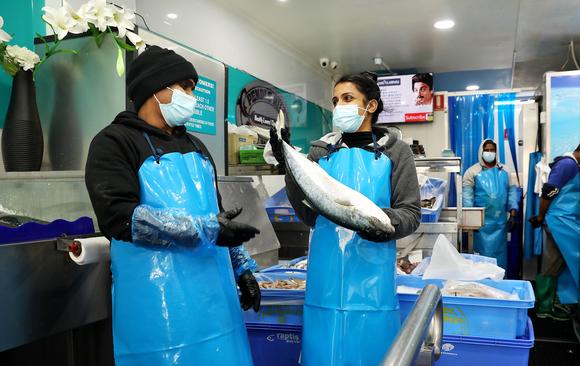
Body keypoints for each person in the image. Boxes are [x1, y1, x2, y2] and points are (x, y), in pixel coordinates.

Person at [85, 45, 261, 366]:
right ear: (156, 88)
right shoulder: (114, 142)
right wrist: (203, 229)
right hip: (159, 309)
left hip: (217, 304)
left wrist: (242, 268)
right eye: (184, 87)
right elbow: (119, 219)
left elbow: (217, 216)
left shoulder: (196, 145)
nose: (190, 96)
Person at [270, 72, 421, 365]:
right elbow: (308, 215)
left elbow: (411, 213)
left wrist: (382, 224)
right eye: (336, 100)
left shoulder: (396, 151)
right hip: (324, 279)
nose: (339, 106)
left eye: (348, 99)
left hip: (373, 280)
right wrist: (288, 166)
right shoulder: (319, 152)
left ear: (371, 106)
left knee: (370, 354)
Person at [529, 145, 580, 317]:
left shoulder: (576, 166)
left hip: (570, 222)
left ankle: (569, 303)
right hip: (559, 223)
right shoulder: (567, 165)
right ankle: (544, 307)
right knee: (553, 262)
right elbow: (549, 191)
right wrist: (540, 216)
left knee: (560, 261)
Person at [462, 139, 519, 269]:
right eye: (486, 150)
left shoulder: (505, 170)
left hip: (500, 223)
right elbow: (467, 199)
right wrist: (469, 222)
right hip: (480, 226)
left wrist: (513, 213)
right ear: (481, 152)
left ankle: (500, 282)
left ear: (496, 151)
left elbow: (512, 192)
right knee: (481, 260)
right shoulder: (472, 172)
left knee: (500, 259)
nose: (489, 152)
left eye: (492, 150)